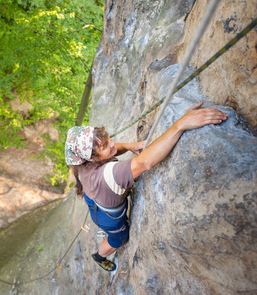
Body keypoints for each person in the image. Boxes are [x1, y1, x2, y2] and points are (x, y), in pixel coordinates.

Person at [65, 102, 228, 271]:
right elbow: (144, 163)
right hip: (109, 219)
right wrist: (181, 125)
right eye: (106, 146)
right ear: (92, 158)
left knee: (108, 151)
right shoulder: (107, 175)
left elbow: (110, 150)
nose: (113, 144)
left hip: (96, 201)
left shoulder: (82, 162)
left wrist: (129, 146)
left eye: (108, 139)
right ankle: (99, 256)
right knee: (119, 238)